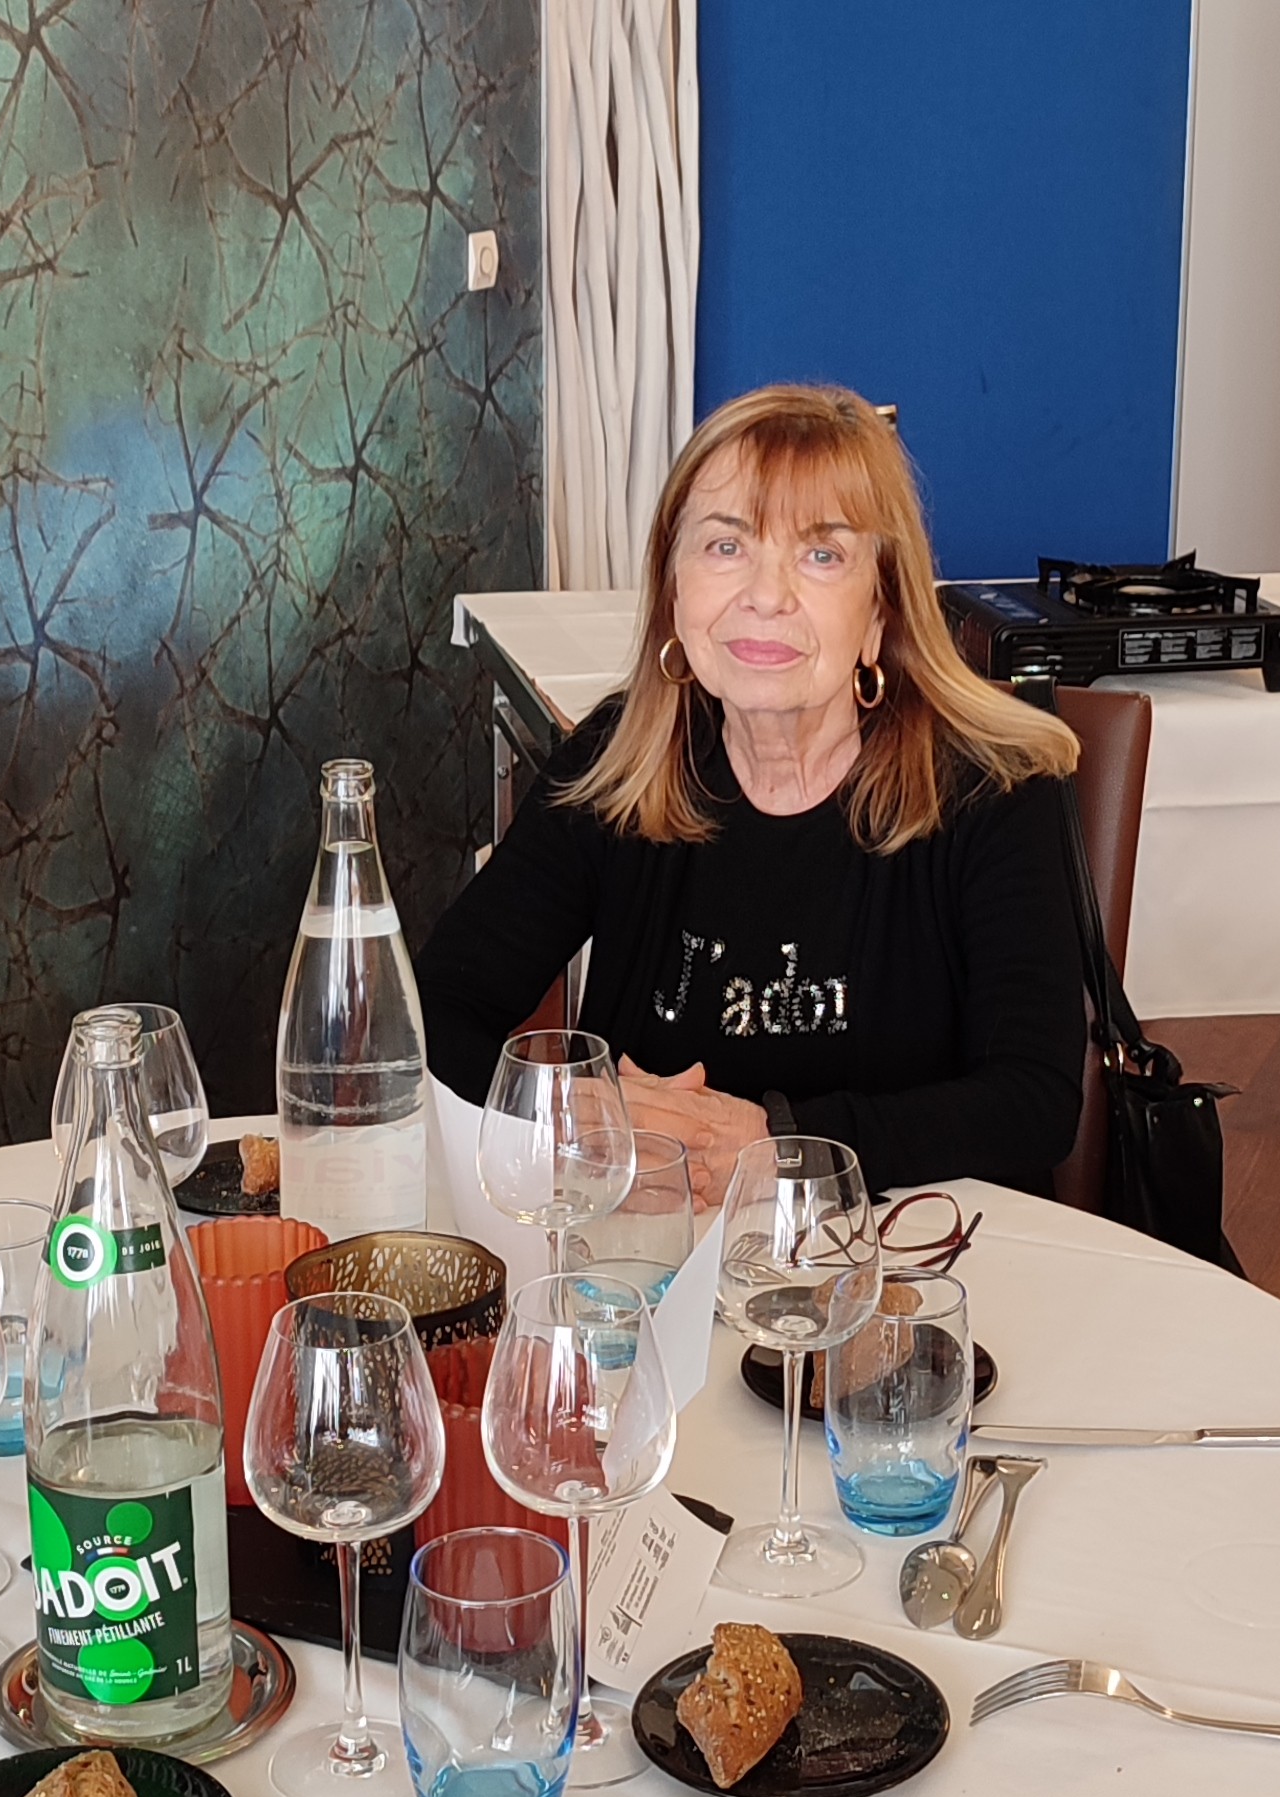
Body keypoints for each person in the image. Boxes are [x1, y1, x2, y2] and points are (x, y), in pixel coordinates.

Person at [415, 383, 1086, 1202]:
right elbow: (436, 1009)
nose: (766, 596)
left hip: (911, 1251)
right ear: (673, 591)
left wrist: (779, 1144)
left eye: (821, 554)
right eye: (726, 546)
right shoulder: (619, 762)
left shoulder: (992, 788)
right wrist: (569, 1110)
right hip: (649, 1245)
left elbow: (1032, 1102)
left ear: (881, 610)